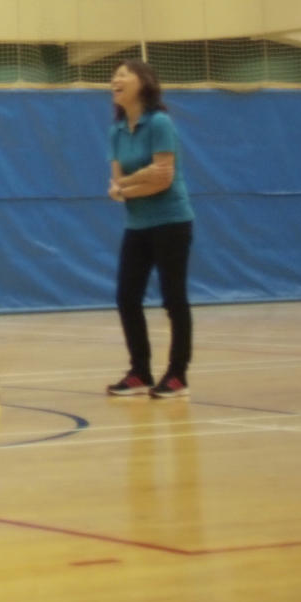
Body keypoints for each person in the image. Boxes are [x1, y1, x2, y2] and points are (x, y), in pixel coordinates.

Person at [106, 58, 195, 399]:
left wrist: (126, 186)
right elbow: (118, 184)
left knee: (174, 299)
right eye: (114, 77)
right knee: (126, 297)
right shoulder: (116, 131)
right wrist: (134, 181)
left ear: (143, 82)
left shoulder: (159, 123)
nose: (115, 81)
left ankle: (177, 374)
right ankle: (140, 371)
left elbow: (163, 180)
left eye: (123, 75)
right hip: (137, 224)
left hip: (171, 221)